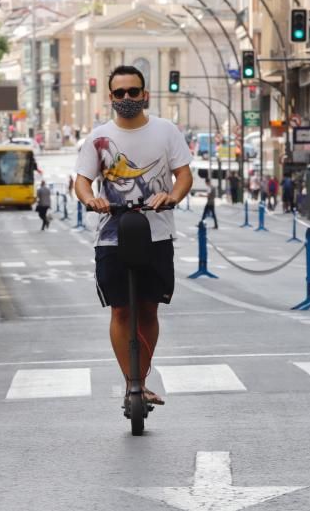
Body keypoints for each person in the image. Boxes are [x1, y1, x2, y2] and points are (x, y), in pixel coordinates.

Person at [74, 65, 192, 408]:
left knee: (149, 309)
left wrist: (172, 197)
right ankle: (133, 384)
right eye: (120, 93)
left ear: (145, 94)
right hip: (112, 236)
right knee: (121, 311)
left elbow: (183, 175)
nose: (127, 98)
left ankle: (143, 375)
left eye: (133, 92)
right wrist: (90, 199)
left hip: (157, 234)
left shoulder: (166, 131)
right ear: (110, 97)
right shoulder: (98, 138)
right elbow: (81, 180)